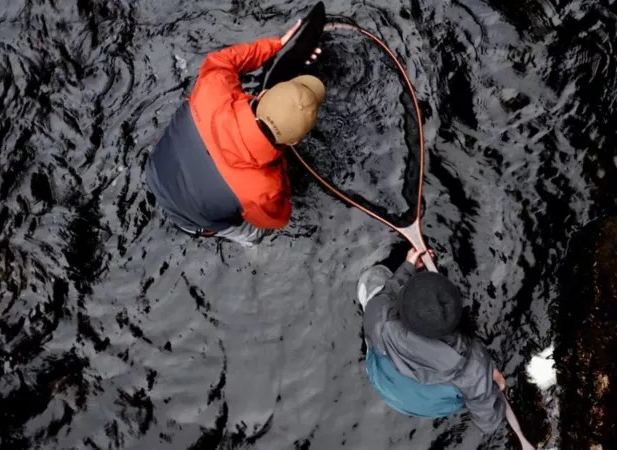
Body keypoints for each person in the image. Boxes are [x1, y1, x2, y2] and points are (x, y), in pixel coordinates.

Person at [145, 20, 325, 246]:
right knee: (254, 235)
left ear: (262, 95)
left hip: (154, 171)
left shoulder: (214, 89)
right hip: (190, 221)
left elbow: (224, 60)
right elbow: (278, 219)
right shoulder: (265, 190)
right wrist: (281, 174)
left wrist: (275, 46)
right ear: (296, 141)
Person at [357, 248, 507, 433]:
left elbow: (388, 293)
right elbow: (488, 422)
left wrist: (408, 267)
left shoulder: (379, 316)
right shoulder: (475, 366)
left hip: (383, 384)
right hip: (426, 406)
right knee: (472, 393)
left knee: (379, 296)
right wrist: (491, 384)